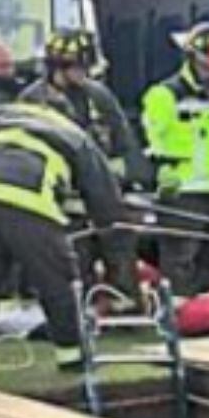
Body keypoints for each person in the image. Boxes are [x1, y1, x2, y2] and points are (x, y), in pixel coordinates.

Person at [0, 102, 124, 379]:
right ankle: (73, 359)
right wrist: (113, 251)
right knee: (58, 285)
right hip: (34, 208)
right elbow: (106, 200)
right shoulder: (75, 137)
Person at [21, 29, 145, 308]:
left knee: (121, 248)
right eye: (78, 67)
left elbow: (125, 142)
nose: (83, 74)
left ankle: (123, 308)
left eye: (85, 67)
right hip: (62, 204)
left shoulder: (98, 96)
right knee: (76, 260)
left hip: (105, 198)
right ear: (58, 66)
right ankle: (78, 312)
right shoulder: (33, 102)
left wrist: (127, 177)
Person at [141, 22, 209, 298]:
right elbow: (153, 134)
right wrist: (162, 168)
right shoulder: (165, 94)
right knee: (180, 255)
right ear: (191, 60)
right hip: (182, 190)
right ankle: (179, 311)